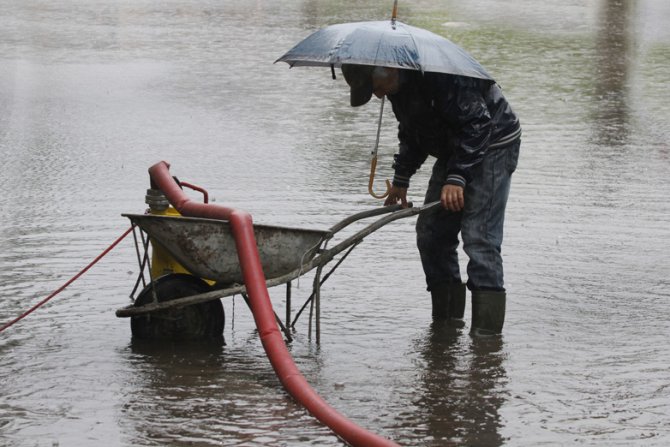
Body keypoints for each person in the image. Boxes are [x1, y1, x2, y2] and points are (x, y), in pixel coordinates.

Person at [341, 64, 521, 336]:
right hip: (455, 145)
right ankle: (446, 326)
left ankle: (486, 341)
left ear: (389, 71)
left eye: (375, 88)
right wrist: (402, 177)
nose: (377, 96)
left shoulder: (443, 78)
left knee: (479, 237)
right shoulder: (396, 89)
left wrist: (457, 178)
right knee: (431, 233)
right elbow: (413, 130)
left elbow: (478, 124)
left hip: (493, 141)